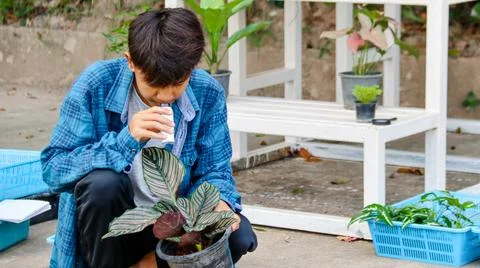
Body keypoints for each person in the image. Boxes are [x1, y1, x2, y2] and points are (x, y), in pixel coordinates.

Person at [41, 8, 257, 268]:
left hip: (171, 225)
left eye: (178, 82)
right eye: (154, 85)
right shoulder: (96, 84)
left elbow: (216, 170)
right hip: (112, 228)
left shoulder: (207, 91)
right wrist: (126, 140)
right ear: (131, 61)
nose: (166, 95)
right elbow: (54, 170)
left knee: (238, 235)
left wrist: (219, 200)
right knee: (103, 185)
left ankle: (147, 263)